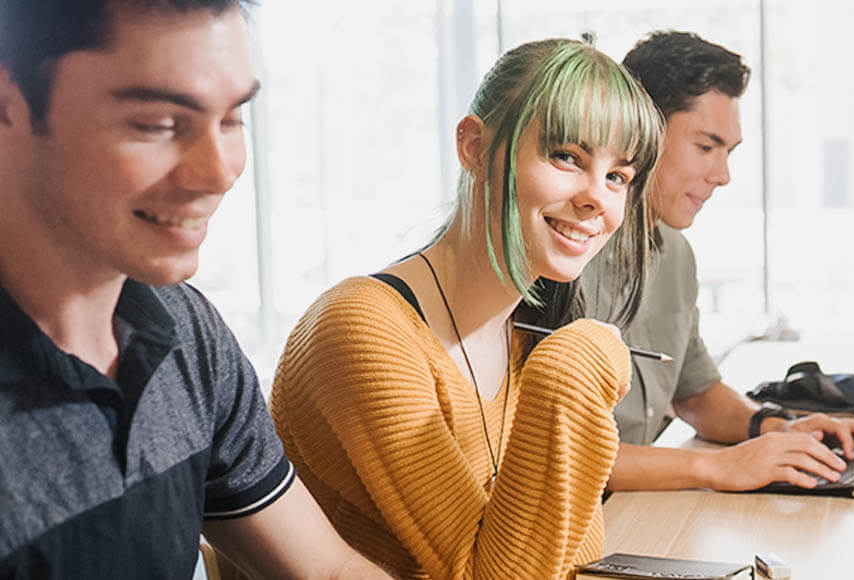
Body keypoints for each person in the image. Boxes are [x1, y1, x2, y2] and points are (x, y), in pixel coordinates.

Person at [0, 1, 391, 577]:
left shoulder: (183, 329)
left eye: (233, 119)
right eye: (158, 125)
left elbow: (327, 569)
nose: (220, 170)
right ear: (10, 106)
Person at [270, 38, 662, 579]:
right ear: (475, 147)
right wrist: (574, 367)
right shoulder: (362, 330)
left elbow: (575, 556)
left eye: (618, 176)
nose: (598, 198)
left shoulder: (525, 334)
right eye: (567, 157)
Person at [579, 31, 854, 493]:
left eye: (728, 152)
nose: (722, 176)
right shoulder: (564, 259)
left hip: (634, 510)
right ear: (638, 130)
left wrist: (774, 428)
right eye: (706, 147)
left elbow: (696, 392)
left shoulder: (675, 254)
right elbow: (555, 455)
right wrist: (718, 468)